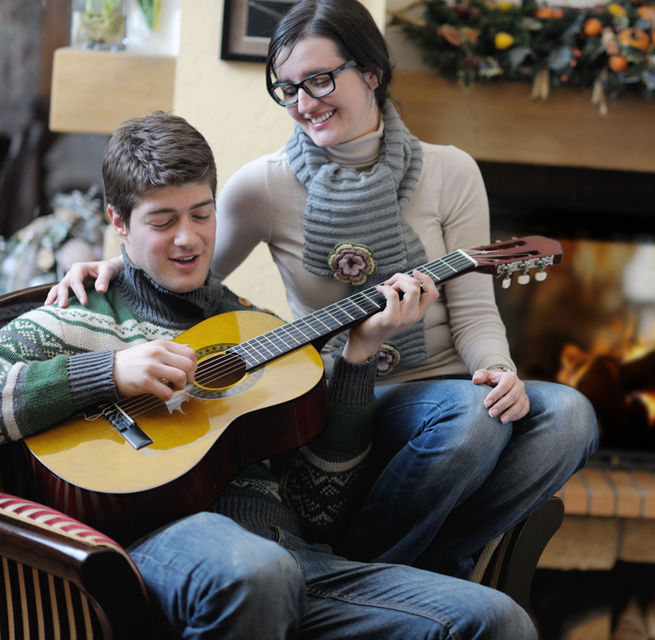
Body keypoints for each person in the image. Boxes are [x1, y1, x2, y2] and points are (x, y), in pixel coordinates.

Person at [47, 0, 598, 580]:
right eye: (287, 88)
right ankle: (370, 574)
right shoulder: (264, 186)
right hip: (346, 397)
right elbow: (190, 273)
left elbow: (474, 312)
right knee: (471, 420)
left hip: (450, 387)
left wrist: (498, 369)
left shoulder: (451, 172)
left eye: (319, 79)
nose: (304, 103)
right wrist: (111, 264)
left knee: (570, 415)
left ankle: (414, 565)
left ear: (372, 72)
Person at [10, 112, 537, 639]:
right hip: (169, 550)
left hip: (295, 562)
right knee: (257, 570)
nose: (188, 239)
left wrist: (358, 357)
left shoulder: (253, 327)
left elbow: (319, 507)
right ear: (118, 222)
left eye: (201, 213)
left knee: (496, 619)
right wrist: (108, 369)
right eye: (163, 221)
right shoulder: (80, 313)